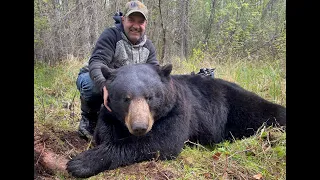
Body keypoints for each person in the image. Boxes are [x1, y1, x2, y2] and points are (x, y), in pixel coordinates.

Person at [76, 0, 159, 140]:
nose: (136, 26)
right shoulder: (112, 35)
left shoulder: (148, 47)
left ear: (145, 24)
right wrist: (104, 86)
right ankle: (89, 119)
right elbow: (96, 63)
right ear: (123, 19)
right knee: (93, 88)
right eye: (131, 20)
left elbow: (155, 75)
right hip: (95, 78)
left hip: (127, 89)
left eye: (140, 22)